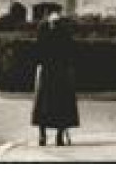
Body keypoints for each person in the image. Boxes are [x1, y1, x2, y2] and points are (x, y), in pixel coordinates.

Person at [30, 11, 80, 146]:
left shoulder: (50, 33)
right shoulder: (63, 33)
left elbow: (38, 54)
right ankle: (51, 136)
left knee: (47, 105)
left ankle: (48, 136)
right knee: (58, 105)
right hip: (56, 72)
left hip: (52, 72)